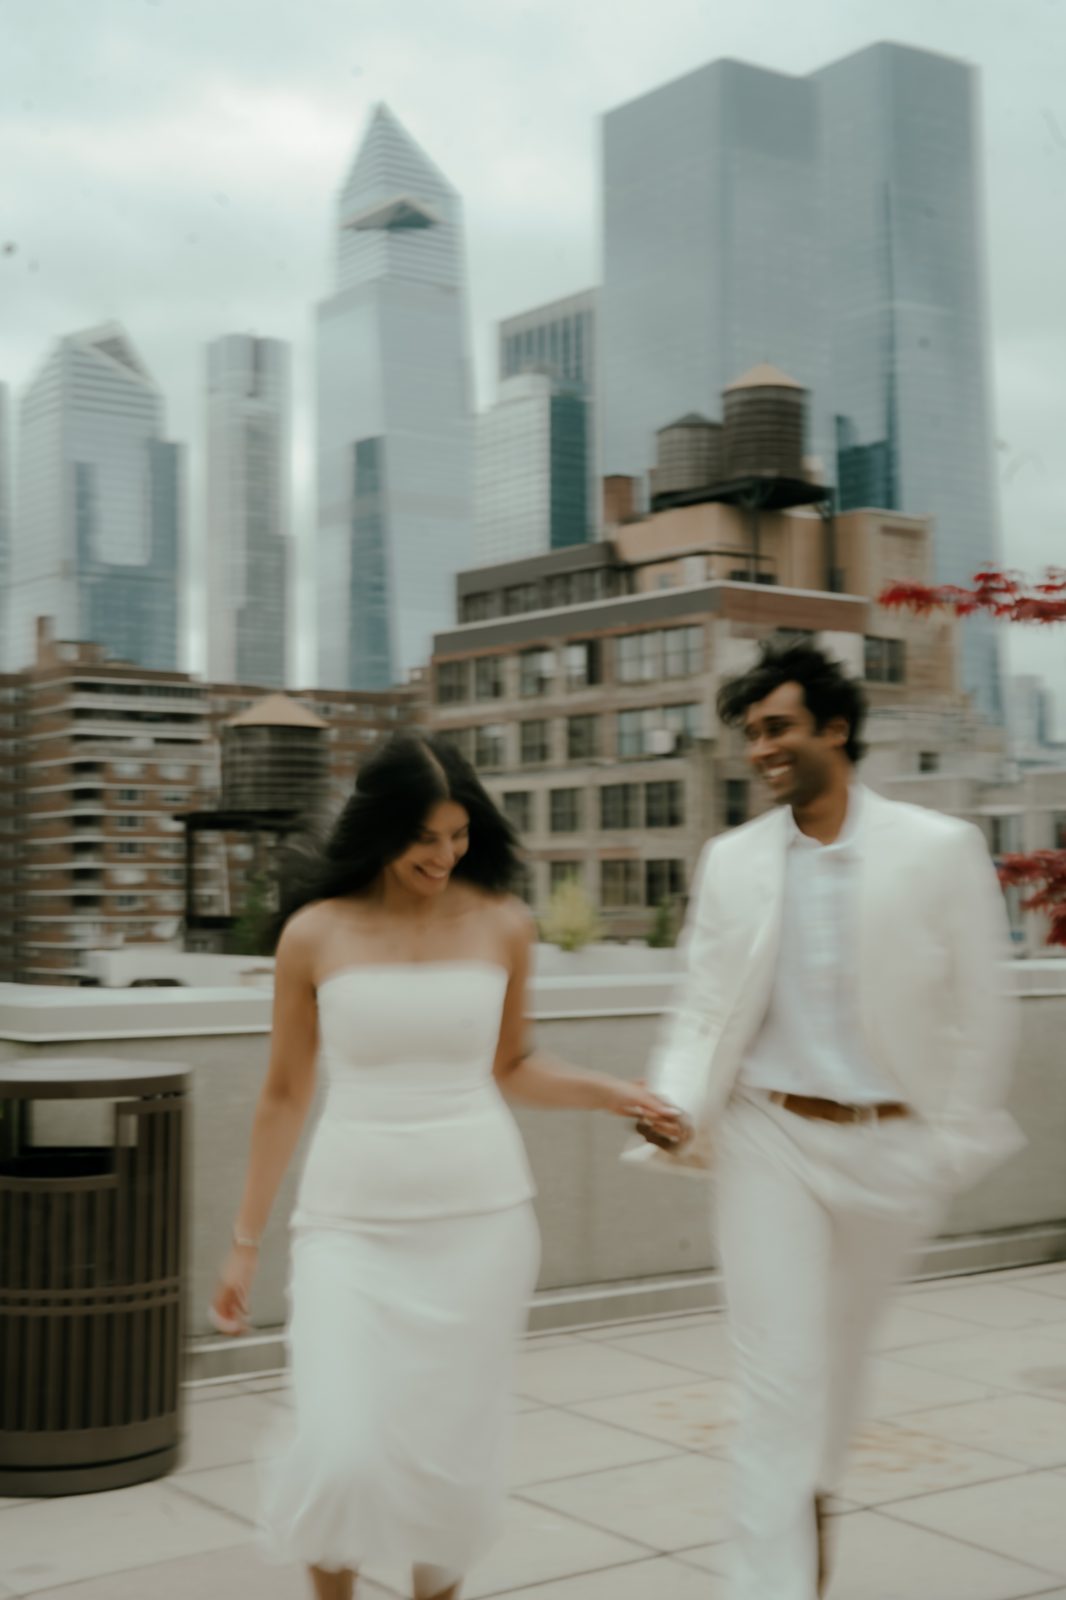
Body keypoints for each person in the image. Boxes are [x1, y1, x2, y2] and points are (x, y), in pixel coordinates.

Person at [211, 730, 680, 1600]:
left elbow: (514, 1066)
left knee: (446, 1463)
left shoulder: (503, 923)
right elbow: (283, 1093)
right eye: (424, 837)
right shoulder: (314, 933)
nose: (444, 854)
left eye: (458, 834)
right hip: (349, 1225)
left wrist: (615, 1093)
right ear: (381, 828)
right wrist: (245, 1242)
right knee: (340, 1453)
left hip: (479, 1224)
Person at [632, 640, 1021, 1600]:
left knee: (833, 1384)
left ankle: (805, 1534)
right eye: (751, 733)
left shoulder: (938, 849)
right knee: (777, 1385)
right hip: (770, 1137)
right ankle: (772, 1583)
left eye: (778, 728)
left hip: (894, 1148)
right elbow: (704, 1003)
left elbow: (984, 1008)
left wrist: (949, 1144)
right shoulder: (733, 861)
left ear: (835, 728)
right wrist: (675, 1101)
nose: (760, 749)